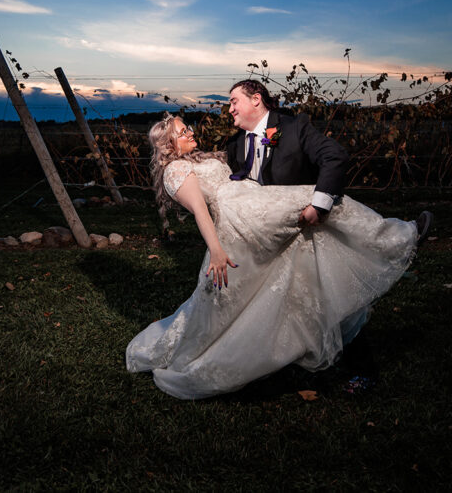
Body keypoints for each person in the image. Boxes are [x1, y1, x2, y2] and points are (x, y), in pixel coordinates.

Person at [125, 108, 432, 400]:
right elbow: (201, 213)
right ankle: (399, 236)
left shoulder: (198, 158)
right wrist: (216, 251)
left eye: (188, 127)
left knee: (316, 217)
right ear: (169, 143)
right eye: (183, 131)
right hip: (241, 215)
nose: (191, 132)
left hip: (253, 202)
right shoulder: (176, 169)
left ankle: (386, 243)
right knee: (315, 200)